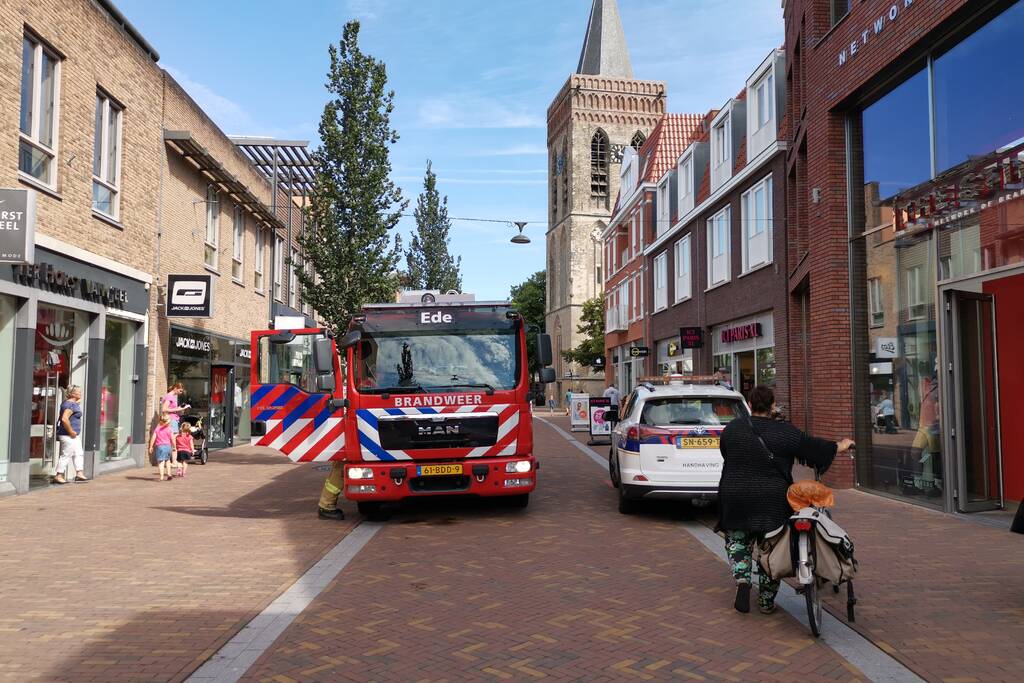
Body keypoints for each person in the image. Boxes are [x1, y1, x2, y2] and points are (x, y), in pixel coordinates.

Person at [717, 385, 855, 615]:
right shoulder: (785, 432)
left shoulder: (732, 429)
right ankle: (766, 601)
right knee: (771, 548)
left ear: (750, 405)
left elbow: (726, 454)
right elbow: (813, 448)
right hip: (772, 498)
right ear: (772, 406)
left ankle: (742, 580)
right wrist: (840, 445)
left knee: (738, 539)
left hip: (736, 494)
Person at [53, 385, 87, 484]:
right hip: (68, 435)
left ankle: (79, 473)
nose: (80, 393)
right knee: (66, 454)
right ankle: (58, 475)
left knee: (78, 453)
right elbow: (64, 419)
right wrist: (71, 431)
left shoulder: (71, 404)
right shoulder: (70, 405)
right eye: (78, 392)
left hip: (73, 435)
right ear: (72, 393)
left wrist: (76, 403)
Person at [148, 414, 175, 481]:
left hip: (160, 447)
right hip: (168, 447)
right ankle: (169, 474)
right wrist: (174, 446)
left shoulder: (157, 429)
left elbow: (153, 438)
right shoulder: (169, 429)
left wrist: (151, 447)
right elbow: (172, 438)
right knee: (168, 461)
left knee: (161, 462)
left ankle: (161, 476)